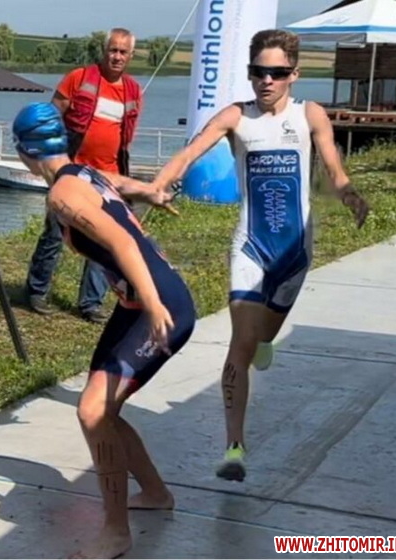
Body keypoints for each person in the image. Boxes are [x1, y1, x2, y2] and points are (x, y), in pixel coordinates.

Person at [150, 29, 370, 483]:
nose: (266, 80)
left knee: (263, 337)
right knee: (242, 343)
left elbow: (333, 169)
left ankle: (267, 337)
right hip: (250, 247)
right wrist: (158, 183)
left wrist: (349, 195)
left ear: (294, 74)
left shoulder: (309, 115)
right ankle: (234, 446)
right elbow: (190, 153)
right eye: (258, 72)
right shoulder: (237, 116)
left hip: (294, 253)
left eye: (277, 73)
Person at [12, 101, 196, 559]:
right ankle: (155, 493)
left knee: (93, 412)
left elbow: (122, 241)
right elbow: (119, 184)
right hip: (138, 305)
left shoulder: (62, 197)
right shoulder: (83, 174)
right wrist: (151, 192)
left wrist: (152, 304)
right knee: (104, 411)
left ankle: (115, 533)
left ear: (24, 152)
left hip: (158, 306)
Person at [24, 28, 143, 323]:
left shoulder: (133, 90)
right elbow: (50, 117)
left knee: (103, 239)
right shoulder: (78, 78)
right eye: (113, 50)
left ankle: (91, 303)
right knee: (55, 233)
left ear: (130, 55)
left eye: (123, 52)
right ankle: (36, 290)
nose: (117, 57)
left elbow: (126, 136)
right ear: (104, 51)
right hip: (71, 171)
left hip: (108, 177)